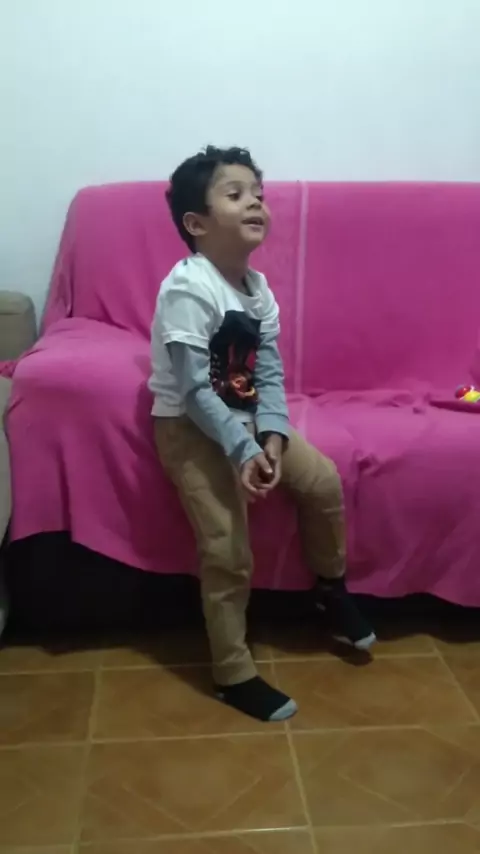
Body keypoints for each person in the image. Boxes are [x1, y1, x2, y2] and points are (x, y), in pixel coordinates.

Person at [149, 146, 376, 722]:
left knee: (322, 481)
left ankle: (330, 591)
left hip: (247, 419)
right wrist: (242, 448)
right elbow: (194, 391)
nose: (255, 202)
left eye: (258, 193)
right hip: (190, 427)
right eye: (235, 194)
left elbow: (269, 371)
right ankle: (232, 673)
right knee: (227, 549)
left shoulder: (258, 288)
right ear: (196, 223)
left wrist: (272, 434)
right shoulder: (187, 289)